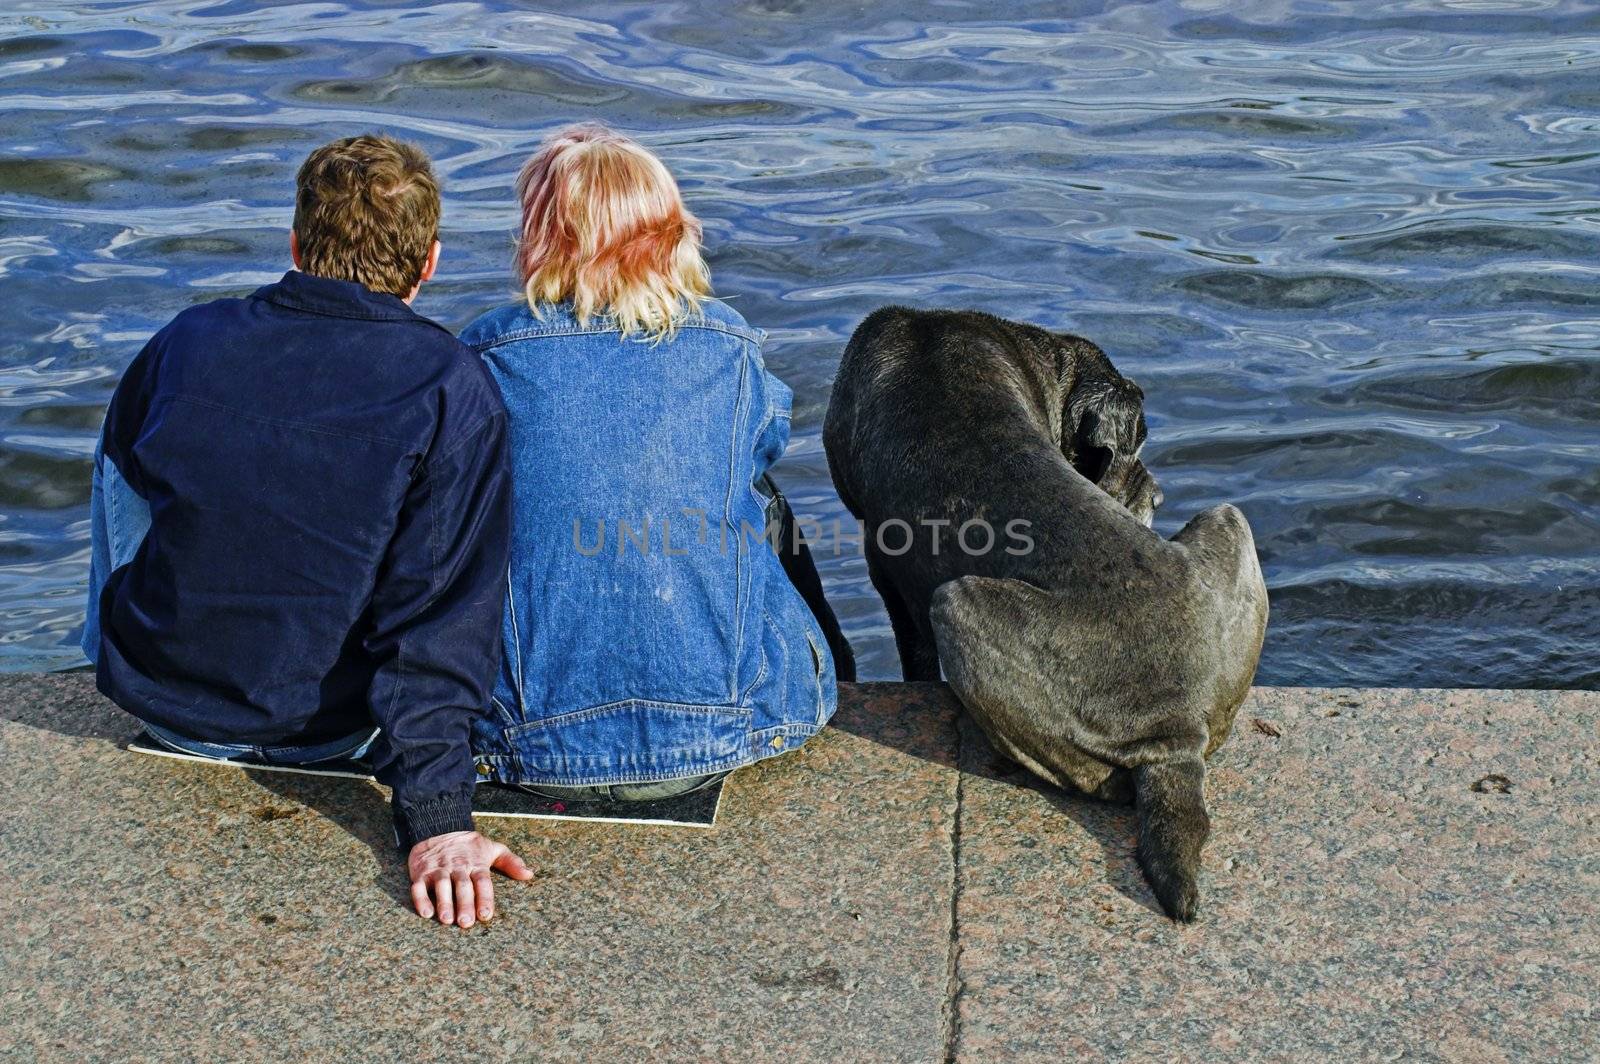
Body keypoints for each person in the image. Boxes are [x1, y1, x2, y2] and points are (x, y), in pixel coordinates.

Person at [82, 134, 532, 929]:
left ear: (295, 245)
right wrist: (436, 819)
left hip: (166, 709)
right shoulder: (449, 385)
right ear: (428, 262)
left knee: (131, 452)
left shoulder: (187, 337)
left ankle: (141, 647)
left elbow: (131, 495)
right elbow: (438, 614)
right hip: (329, 736)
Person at [460, 124, 853, 803]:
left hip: (531, 740)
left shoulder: (486, 357)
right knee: (754, 494)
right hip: (734, 725)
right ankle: (822, 668)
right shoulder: (729, 346)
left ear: (542, 236)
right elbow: (761, 449)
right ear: (672, 232)